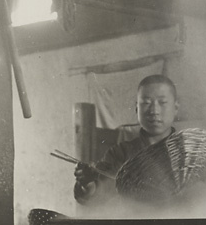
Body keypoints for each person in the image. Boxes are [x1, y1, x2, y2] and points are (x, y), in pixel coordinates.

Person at [74, 74, 179, 205]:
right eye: (146, 103)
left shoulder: (190, 151)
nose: (154, 110)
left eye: (162, 102)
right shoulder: (120, 153)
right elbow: (97, 195)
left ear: (175, 108)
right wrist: (87, 182)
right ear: (137, 108)